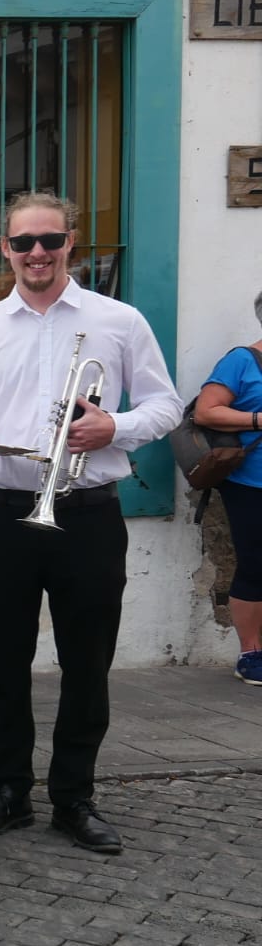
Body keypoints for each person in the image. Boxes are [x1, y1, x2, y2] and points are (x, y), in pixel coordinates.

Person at [0, 191, 181, 853]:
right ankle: (8, 790)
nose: (37, 253)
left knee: (87, 666)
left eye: (50, 240)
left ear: (71, 242)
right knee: (5, 667)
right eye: (24, 243)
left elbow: (166, 407)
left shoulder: (119, 321)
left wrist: (115, 426)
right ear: (4, 250)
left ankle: (74, 798)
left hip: (89, 516)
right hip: (3, 516)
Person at [191, 292, 262, 683]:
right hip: (252, 483)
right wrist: (259, 419)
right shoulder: (242, 360)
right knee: (255, 564)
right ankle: (251, 653)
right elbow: (207, 410)